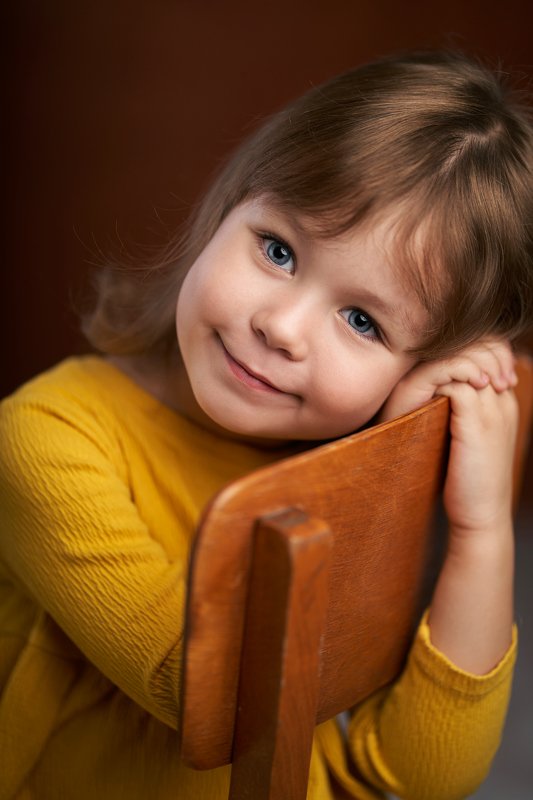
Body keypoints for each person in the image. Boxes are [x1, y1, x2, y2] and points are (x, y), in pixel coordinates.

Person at [1, 48, 532, 800]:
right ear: (226, 209)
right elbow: (209, 706)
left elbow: (424, 777)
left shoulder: (340, 455)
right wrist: (363, 480)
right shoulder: (44, 437)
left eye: (361, 320)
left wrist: (478, 529)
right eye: (278, 250)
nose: (281, 327)